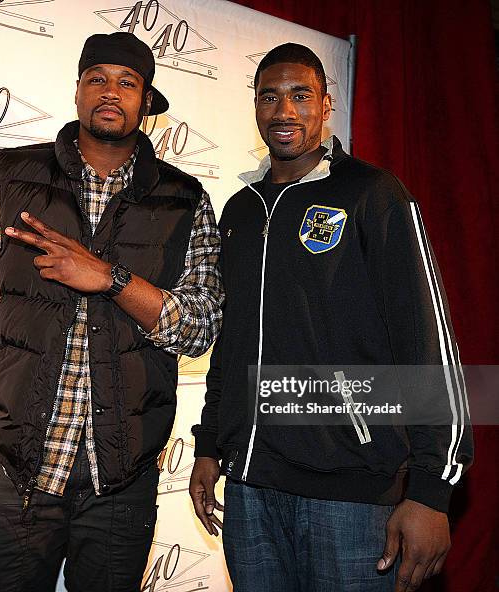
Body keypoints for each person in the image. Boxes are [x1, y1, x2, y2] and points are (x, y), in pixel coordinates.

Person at [189, 43, 472, 592]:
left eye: (300, 95)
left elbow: (428, 340)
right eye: (270, 97)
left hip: (351, 495)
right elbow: (231, 342)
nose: (284, 111)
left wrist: (432, 490)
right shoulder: (241, 210)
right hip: (250, 490)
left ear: (325, 104)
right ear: (254, 107)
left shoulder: (374, 194)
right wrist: (208, 446)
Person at [0, 31, 223, 592]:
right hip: (14, 470)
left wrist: (111, 280)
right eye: (97, 79)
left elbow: (200, 327)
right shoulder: (12, 178)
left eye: (127, 83)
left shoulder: (185, 199)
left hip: (123, 480)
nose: (110, 92)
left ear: (148, 104)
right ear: (77, 92)